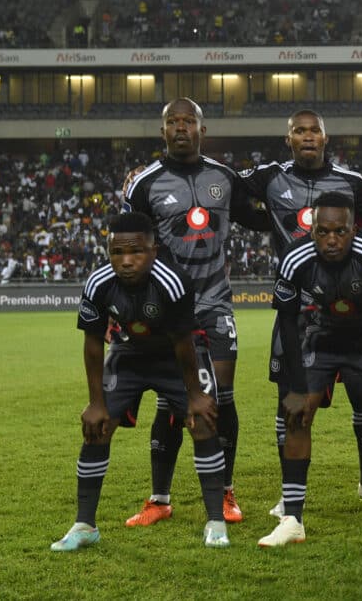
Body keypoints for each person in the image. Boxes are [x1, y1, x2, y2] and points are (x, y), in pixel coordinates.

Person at [239, 109, 362, 519]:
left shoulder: (350, 182)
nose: (308, 136)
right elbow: (222, 190)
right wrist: (267, 220)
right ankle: (290, 493)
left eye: (314, 130)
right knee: (290, 404)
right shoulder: (270, 178)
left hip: (354, 313)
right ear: (289, 139)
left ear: (325, 138)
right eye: (299, 130)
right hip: (298, 314)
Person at [122, 98, 268, 526]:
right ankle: (159, 500)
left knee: (222, 397)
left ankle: (225, 492)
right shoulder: (144, 185)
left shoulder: (224, 176)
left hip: (215, 304)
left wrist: (299, 219)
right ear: (163, 131)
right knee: (171, 400)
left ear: (203, 130)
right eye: (173, 121)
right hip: (167, 312)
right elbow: (130, 247)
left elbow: (257, 217)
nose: (181, 127)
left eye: (189, 121)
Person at [52, 212, 229, 551]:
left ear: (153, 251)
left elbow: (183, 342)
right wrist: (96, 402)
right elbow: (93, 343)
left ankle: (215, 522)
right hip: (128, 353)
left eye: (136, 251)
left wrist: (195, 395)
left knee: (203, 421)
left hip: (175, 357)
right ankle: (84, 525)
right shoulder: (98, 283)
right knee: (97, 427)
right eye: (117, 252)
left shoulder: (173, 281)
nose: (126, 261)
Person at [258, 192, 362, 547]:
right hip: (321, 338)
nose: (331, 239)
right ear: (312, 231)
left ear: (353, 230)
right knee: (297, 415)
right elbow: (288, 323)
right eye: (323, 231)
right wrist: (296, 388)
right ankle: (293, 520)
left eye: (340, 231)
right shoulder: (294, 258)